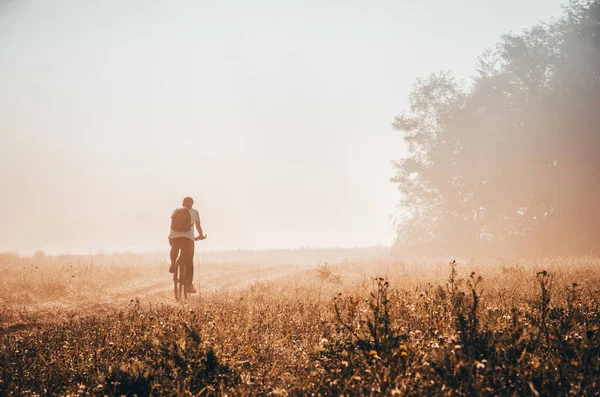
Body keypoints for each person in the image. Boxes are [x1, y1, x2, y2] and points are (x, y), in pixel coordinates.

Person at [168, 196, 206, 293]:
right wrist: (201, 235)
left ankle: (173, 262)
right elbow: (198, 226)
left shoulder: (176, 211)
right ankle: (189, 285)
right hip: (187, 238)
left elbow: (172, 225)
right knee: (189, 261)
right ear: (192, 204)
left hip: (173, 236)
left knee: (174, 247)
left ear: (182, 203)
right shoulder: (195, 212)